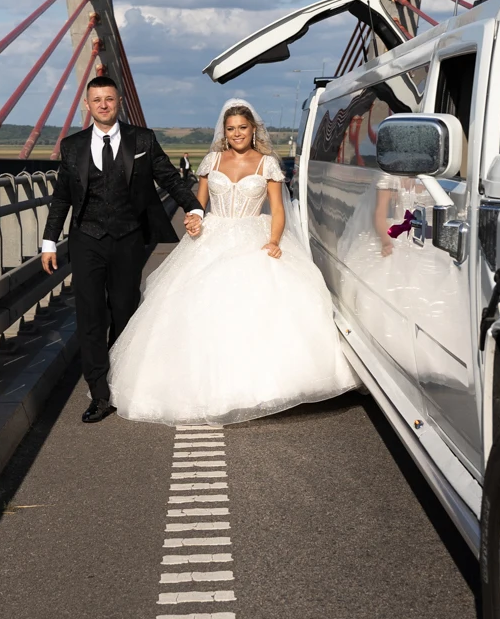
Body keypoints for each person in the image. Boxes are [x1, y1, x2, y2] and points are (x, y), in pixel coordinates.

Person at [106, 99, 357, 427]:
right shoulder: (212, 160)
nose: (237, 133)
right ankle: (195, 387)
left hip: (254, 235)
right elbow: (198, 204)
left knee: (252, 308)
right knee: (195, 307)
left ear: (253, 130)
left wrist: (274, 241)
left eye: (242, 128)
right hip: (212, 235)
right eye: (231, 129)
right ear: (224, 132)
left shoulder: (267, 164)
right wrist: (193, 221)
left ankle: (253, 390)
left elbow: (277, 210)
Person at [41, 76, 205, 424]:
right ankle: (100, 393)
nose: (103, 105)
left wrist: (194, 208)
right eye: (96, 100)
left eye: (109, 99)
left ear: (119, 102)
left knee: (124, 311)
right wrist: (49, 242)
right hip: (86, 239)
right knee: (90, 316)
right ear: (87, 105)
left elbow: (169, 177)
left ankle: (122, 380)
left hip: (129, 238)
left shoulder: (142, 140)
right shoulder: (72, 146)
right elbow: (62, 197)